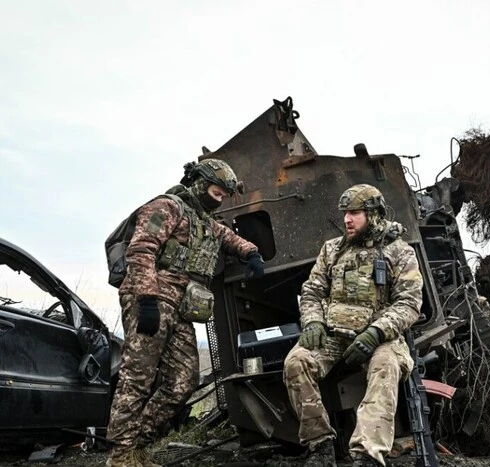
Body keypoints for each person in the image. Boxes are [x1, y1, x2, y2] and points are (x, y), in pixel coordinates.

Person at [106, 159, 265, 467]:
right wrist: (147, 299)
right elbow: (140, 251)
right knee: (137, 377)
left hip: (181, 307)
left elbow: (228, 238)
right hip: (152, 299)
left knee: (184, 379)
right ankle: (120, 455)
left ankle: (136, 445)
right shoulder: (167, 207)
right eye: (216, 193)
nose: (218, 200)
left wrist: (251, 252)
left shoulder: (204, 221)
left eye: (223, 196)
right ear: (200, 185)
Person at [283, 184, 424, 467]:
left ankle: (367, 454)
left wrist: (376, 333)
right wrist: (313, 322)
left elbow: (409, 303)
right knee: (296, 362)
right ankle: (320, 445)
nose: (347, 219)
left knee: (386, 366)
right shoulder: (332, 250)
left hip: (379, 337)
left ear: (374, 214)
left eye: (355, 213)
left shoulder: (399, 252)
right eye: (345, 213)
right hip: (333, 334)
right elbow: (311, 291)